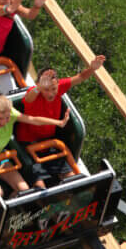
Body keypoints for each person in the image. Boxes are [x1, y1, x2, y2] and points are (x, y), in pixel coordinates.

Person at [0, 84, 69, 204]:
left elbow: (33, 120)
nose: (5, 122)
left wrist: (58, 122)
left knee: (24, 190)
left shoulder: (10, 114)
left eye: (7, 118)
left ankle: (12, 214)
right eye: (0, 119)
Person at [16, 55, 105, 187]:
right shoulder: (34, 94)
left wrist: (92, 68)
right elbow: (28, 98)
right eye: (46, 89)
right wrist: (39, 87)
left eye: (53, 89)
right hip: (29, 144)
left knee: (71, 177)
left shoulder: (60, 87)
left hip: (49, 143)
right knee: (39, 185)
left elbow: (80, 77)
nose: (51, 93)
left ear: (58, 84)